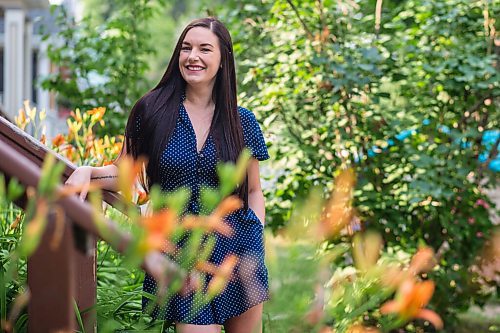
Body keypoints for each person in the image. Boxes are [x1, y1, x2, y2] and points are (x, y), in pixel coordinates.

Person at [65, 17, 269, 333]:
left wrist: (256, 233)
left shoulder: (242, 122)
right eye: (186, 48)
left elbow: (254, 190)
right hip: (180, 255)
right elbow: (124, 173)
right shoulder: (152, 110)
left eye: (204, 49)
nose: (193, 57)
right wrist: (86, 172)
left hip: (239, 254)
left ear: (222, 59)